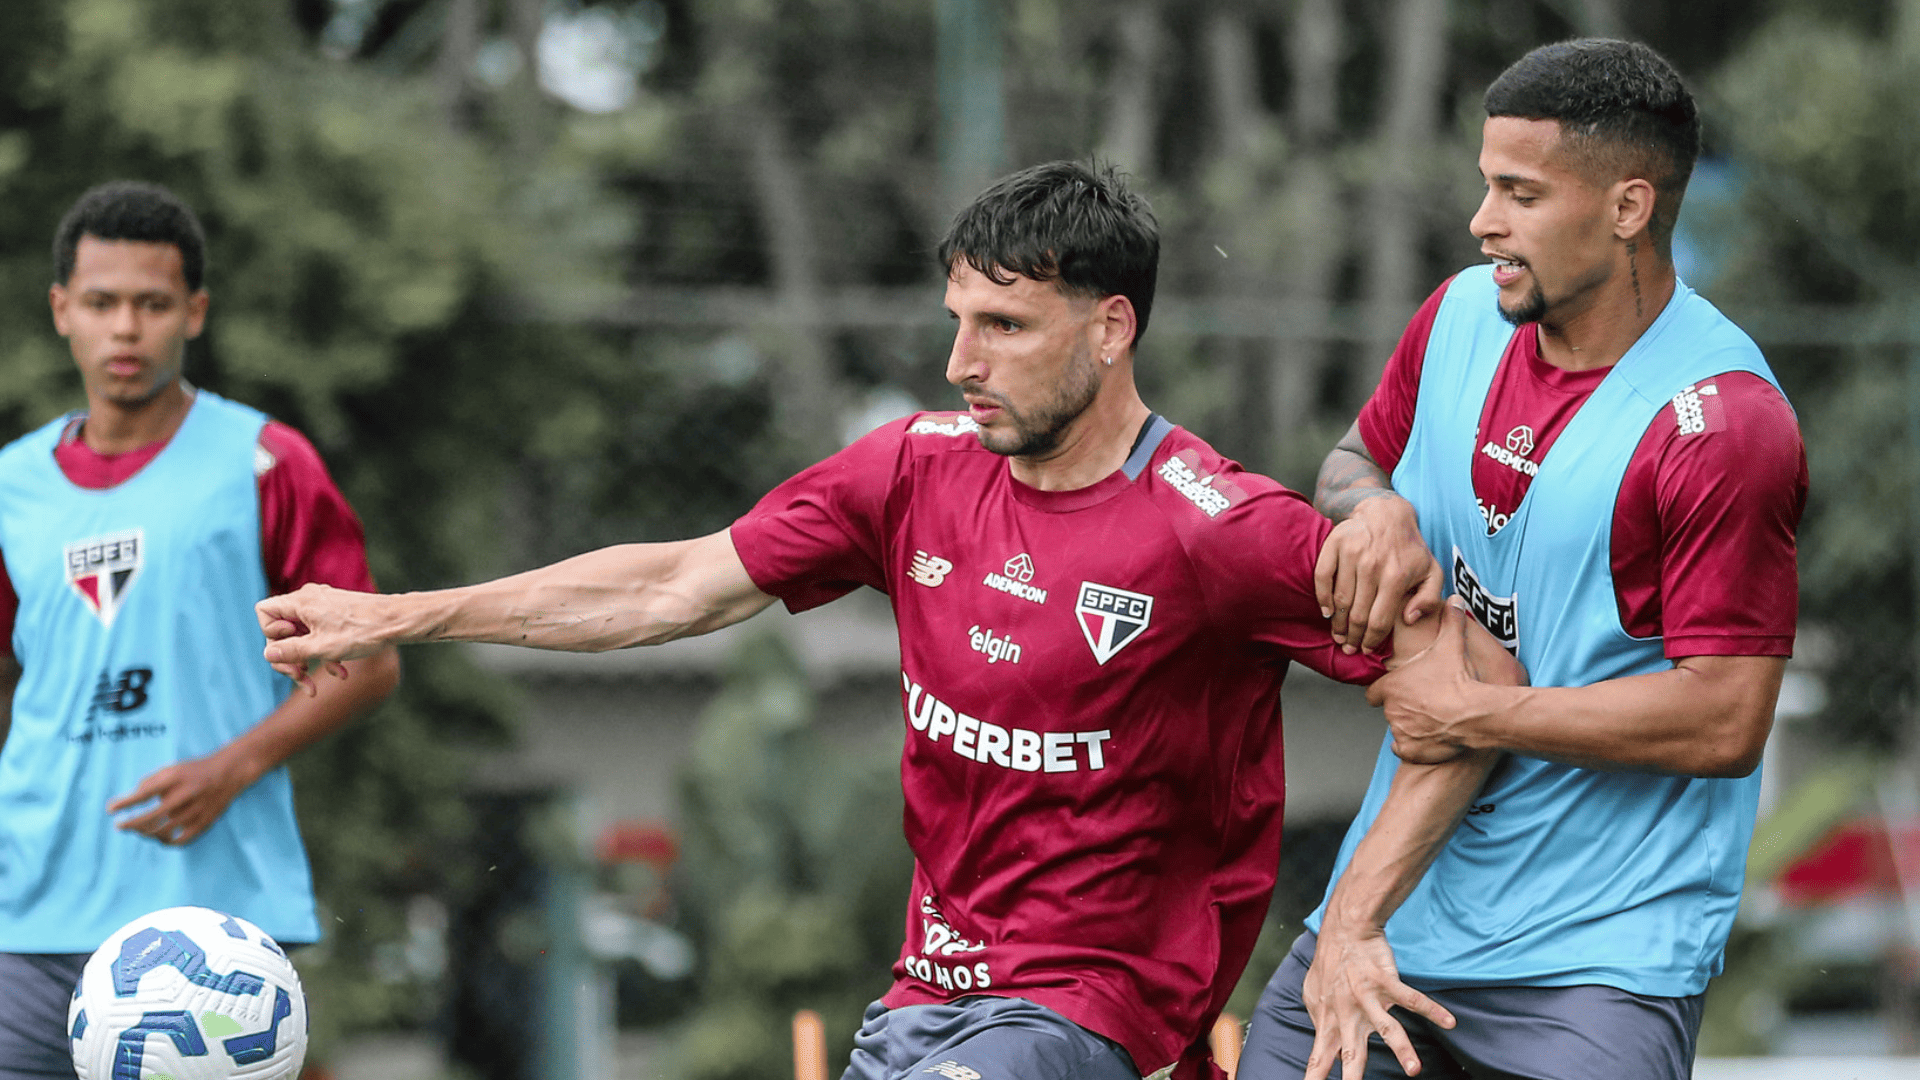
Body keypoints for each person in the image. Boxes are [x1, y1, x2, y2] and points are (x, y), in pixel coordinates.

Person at [256, 160, 1516, 1080]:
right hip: (925, 1003)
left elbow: (1468, 683)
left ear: (1112, 327)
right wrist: (399, 614)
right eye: (957, 322)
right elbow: (669, 586)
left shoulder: (1219, 526)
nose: (964, 360)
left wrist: (1353, 920)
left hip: (1098, 1015)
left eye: (1006, 328)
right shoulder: (910, 470)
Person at [1239, 39, 1809, 1080]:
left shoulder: (1724, 425)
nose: (1482, 222)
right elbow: (1355, 458)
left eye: (1520, 193)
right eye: (1484, 185)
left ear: (1629, 207)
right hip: (1394, 915)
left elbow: (1727, 718)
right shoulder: (1460, 314)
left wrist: (1475, 715)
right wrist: (1370, 514)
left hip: (1597, 966)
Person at [0, 181, 401, 1079]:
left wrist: (233, 766)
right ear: (62, 310)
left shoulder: (266, 462)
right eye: (102, 303)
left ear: (196, 311)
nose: (127, 328)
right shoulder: (8, 488)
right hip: (28, 916)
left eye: (153, 303)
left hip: (207, 929)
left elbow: (368, 662)